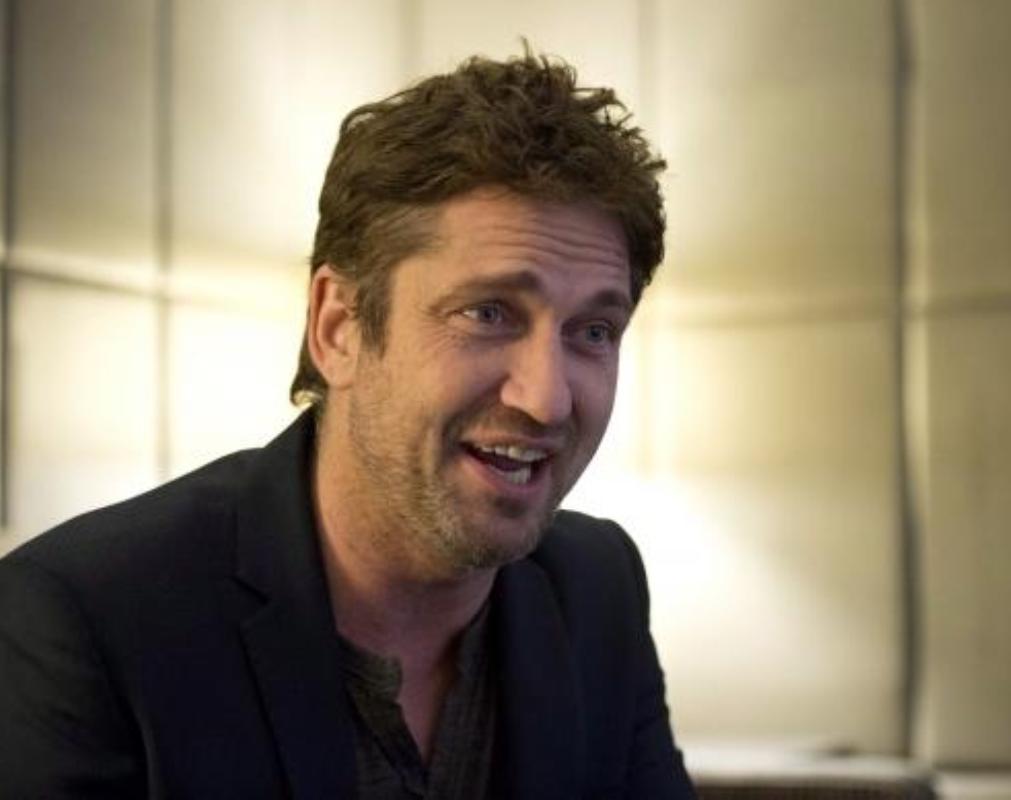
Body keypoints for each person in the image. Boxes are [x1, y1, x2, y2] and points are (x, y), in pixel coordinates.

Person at [0, 49, 696, 799]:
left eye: (593, 331)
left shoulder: (596, 588)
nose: (547, 399)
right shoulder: (85, 622)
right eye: (488, 313)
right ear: (337, 329)